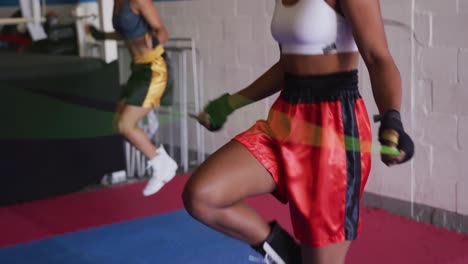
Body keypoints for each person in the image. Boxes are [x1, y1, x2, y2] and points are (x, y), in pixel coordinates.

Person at [183, 0, 415, 263]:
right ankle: (286, 254)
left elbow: (377, 56)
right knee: (202, 196)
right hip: (285, 119)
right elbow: (287, 65)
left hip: (334, 129)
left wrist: (391, 118)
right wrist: (232, 102)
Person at [86, 0, 178, 196]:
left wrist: (154, 40)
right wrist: (100, 35)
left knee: (125, 125)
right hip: (139, 69)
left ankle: (162, 165)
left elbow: (162, 31)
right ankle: (155, 153)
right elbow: (126, 32)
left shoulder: (139, 1)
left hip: (155, 68)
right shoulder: (117, 2)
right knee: (118, 121)